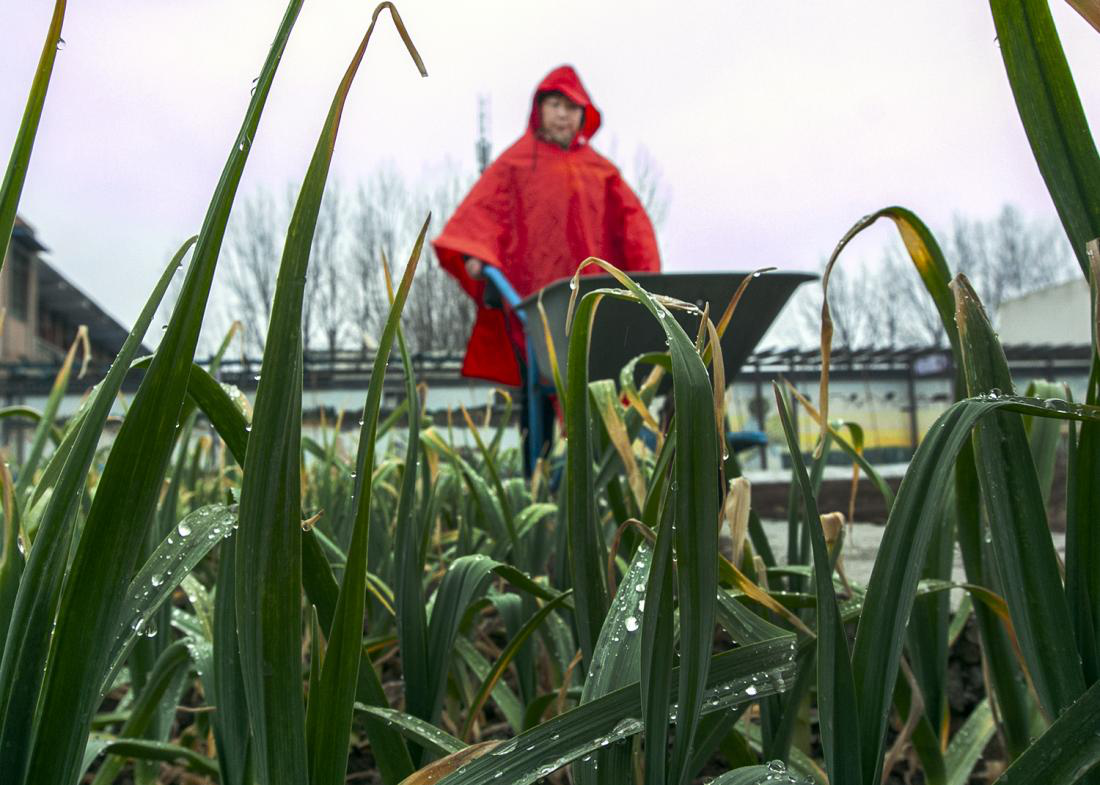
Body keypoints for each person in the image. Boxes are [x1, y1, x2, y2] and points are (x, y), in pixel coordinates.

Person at [433, 65, 662, 388]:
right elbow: (485, 211)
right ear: (539, 109)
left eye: (572, 107)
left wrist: (646, 277)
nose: (563, 115)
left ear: (584, 115)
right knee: (539, 376)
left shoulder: (600, 170)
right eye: (555, 105)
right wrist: (475, 251)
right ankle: (537, 438)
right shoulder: (515, 162)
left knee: (598, 376)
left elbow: (635, 226)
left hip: (594, 294)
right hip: (535, 293)